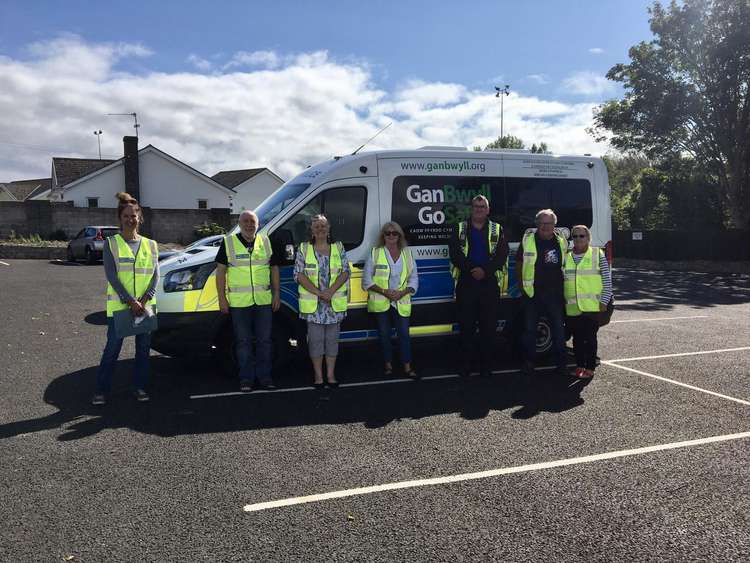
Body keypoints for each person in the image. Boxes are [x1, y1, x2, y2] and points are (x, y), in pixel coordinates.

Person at [92, 192, 159, 405]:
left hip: (145, 306)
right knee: (112, 350)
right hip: (121, 307)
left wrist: (146, 299)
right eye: (126, 216)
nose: (131, 219)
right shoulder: (111, 243)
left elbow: (156, 274)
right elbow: (111, 275)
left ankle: (139, 387)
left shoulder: (151, 244)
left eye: (134, 215)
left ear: (139, 217)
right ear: (120, 219)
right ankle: (101, 390)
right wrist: (130, 300)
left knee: (142, 351)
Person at [215, 210, 281, 392]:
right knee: (243, 341)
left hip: (263, 301)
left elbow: (274, 269)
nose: (249, 225)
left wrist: (276, 294)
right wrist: (222, 298)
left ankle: (265, 378)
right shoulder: (228, 242)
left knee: (264, 341)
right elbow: (220, 272)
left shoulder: (265, 241)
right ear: (239, 223)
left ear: (257, 224)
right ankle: (246, 379)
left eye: (252, 221)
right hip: (239, 303)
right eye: (245, 221)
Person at [448, 195, 509, 378]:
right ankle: (465, 366)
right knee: (466, 328)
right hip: (466, 282)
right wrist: (472, 269)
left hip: (489, 284)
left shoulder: (497, 229)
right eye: (476, 206)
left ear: (488, 210)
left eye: (482, 207)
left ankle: (486, 367)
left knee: (488, 328)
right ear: (471, 209)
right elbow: (455, 254)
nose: (479, 209)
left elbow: (502, 255)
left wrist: (485, 271)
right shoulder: (459, 228)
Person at [294, 214, 350, 389]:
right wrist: (320, 293)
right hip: (315, 305)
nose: (320, 229)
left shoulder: (338, 247)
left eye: (323, 226)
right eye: (316, 226)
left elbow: (345, 271)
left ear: (329, 228)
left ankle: (331, 375)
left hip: (333, 303)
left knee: (332, 341)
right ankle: (318, 376)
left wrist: (331, 291)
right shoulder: (303, 249)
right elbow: (299, 275)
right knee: (316, 341)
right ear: (311, 230)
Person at [515, 208, 568, 377]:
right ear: (537, 224)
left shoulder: (561, 241)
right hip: (533, 293)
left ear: (554, 225)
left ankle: (561, 363)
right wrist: (522, 286)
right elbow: (519, 263)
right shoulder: (528, 240)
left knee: (559, 329)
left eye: (550, 223)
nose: (546, 226)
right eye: (543, 223)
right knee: (530, 330)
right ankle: (529, 362)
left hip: (555, 293)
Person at [363, 221, 419, 379]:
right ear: (383, 236)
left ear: (400, 236)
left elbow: (414, 278)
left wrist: (403, 292)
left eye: (395, 233)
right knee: (384, 334)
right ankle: (388, 365)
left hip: (401, 300)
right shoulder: (375, 253)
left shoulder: (407, 254)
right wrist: (385, 292)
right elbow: (366, 281)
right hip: (382, 301)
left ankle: (407, 366)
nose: (391, 236)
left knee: (404, 334)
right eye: (388, 233)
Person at [564, 225, 613, 378]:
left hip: (593, 306)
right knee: (577, 340)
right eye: (575, 236)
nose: (578, 239)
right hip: (572, 307)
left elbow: (607, 280)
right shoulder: (567, 257)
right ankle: (579, 367)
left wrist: (604, 301)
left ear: (588, 238)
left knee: (590, 338)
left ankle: (590, 368)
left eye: (582, 236)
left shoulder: (597, 254)